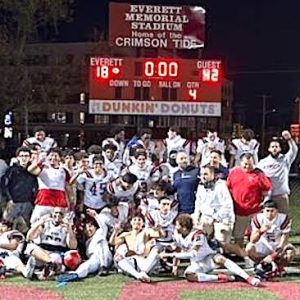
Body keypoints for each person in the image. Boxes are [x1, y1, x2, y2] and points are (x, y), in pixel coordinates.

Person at [160, 214, 260, 286]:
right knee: (189, 276)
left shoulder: (197, 234)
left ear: (184, 228)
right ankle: (222, 277)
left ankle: (248, 278)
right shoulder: (177, 235)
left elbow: (193, 253)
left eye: (177, 225)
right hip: (197, 263)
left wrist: (170, 255)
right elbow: (178, 248)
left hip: (208, 258)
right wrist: (175, 266)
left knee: (220, 258)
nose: (175, 227)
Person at [227, 153, 272, 258]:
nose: (247, 167)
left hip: (254, 211)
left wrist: (265, 201)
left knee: (254, 234)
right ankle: (240, 255)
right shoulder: (234, 173)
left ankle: (254, 254)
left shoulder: (259, 174)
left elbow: (267, 190)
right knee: (238, 235)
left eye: (250, 164)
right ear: (241, 162)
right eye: (245, 164)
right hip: (238, 210)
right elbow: (228, 188)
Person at [245, 200, 295, 279]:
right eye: (267, 211)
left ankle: (279, 267)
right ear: (263, 211)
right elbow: (252, 240)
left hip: (277, 245)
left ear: (277, 211)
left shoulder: (283, 219)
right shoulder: (257, 218)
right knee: (249, 248)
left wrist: (273, 255)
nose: (269, 214)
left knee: (290, 253)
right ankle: (261, 266)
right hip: (262, 244)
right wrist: (261, 231)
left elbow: (284, 239)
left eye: (272, 211)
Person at [25, 207, 78, 280]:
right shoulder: (45, 224)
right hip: (42, 252)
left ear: (64, 216)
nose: (58, 215)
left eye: (61, 213)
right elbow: (29, 237)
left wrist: (69, 230)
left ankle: (42, 271)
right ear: (52, 214)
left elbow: (73, 246)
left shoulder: (66, 227)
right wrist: (39, 223)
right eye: (56, 212)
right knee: (30, 247)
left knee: (56, 259)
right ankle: (50, 264)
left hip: (56, 253)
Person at [57, 215, 112, 282]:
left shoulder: (99, 233)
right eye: (86, 228)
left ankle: (104, 267)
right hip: (96, 260)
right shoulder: (87, 242)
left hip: (106, 258)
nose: (88, 229)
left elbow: (104, 227)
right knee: (86, 265)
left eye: (90, 226)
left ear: (95, 227)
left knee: (101, 243)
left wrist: (95, 216)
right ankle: (75, 275)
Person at [110, 214, 164, 282]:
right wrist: (115, 231)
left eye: (139, 220)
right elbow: (112, 242)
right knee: (117, 257)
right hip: (132, 262)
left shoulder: (146, 232)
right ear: (131, 222)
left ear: (143, 223)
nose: (137, 222)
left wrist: (159, 229)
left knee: (157, 249)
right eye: (134, 220)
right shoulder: (126, 234)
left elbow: (161, 235)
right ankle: (138, 275)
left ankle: (143, 273)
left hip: (145, 262)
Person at [257, 130, 298, 213]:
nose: (274, 148)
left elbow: (294, 150)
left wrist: (289, 139)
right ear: (269, 149)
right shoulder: (262, 162)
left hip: (281, 195)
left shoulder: (285, 159)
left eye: (276, 146)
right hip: (267, 196)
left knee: (283, 221)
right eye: (272, 147)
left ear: (280, 148)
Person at [28, 148, 72, 224]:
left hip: (59, 203)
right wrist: (39, 161)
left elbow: (68, 186)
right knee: (36, 222)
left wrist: (71, 203)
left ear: (60, 158)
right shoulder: (43, 167)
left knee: (59, 224)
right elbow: (31, 170)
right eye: (51, 155)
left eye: (56, 155)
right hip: (44, 201)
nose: (53, 158)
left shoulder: (64, 170)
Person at [193, 166, 235, 245]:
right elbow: (198, 204)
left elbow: (228, 206)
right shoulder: (200, 186)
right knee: (199, 237)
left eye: (205, 174)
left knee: (221, 244)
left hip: (222, 219)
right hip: (207, 217)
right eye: (201, 174)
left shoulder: (221, 186)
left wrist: (215, 217)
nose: (203, 177)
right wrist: (196, 218)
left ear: (212, 175)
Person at [2, 147, 38, 226]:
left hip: (27, 204)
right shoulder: (11, 170)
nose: (24, 158)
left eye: (26, 156)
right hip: (13, 203)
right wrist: (9, 199)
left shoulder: (32, 171)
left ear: (29, 157)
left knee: (24, 227)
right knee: (6, 226)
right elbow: (4, 185)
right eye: (21, 156)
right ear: (18, 157)